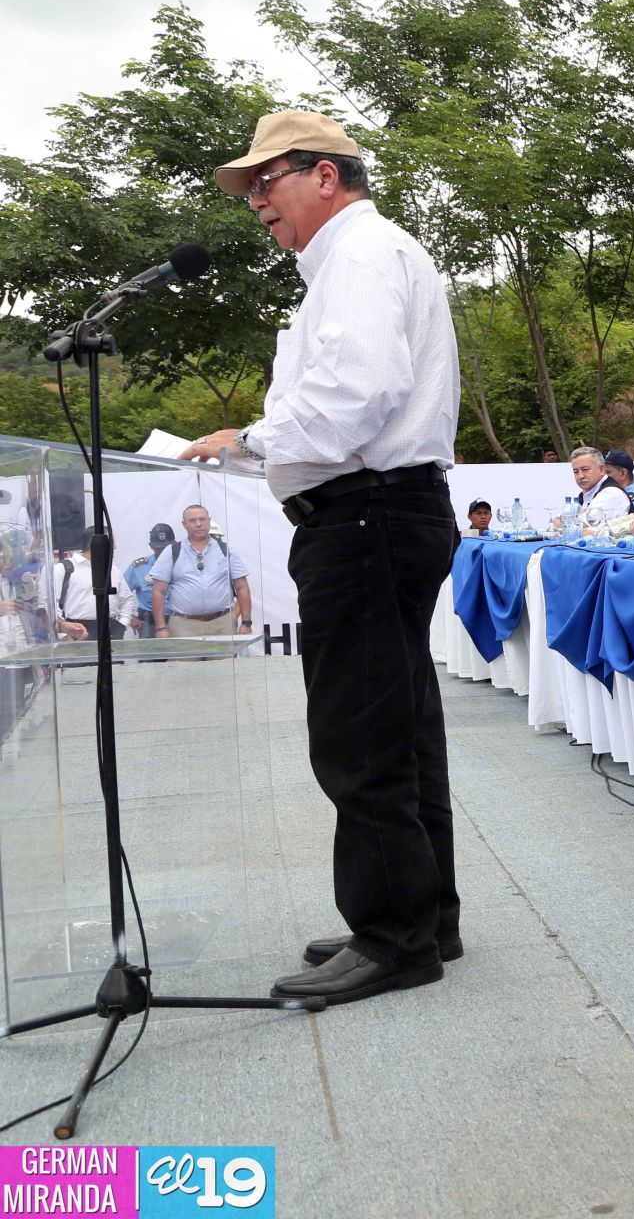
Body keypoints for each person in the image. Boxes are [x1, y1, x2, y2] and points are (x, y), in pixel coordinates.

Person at [184, 109, 461, 1007]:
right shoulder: (359, 258)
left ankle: (393, 938)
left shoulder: (359, 256)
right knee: (402, 725)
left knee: (361, 731)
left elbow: (358, 391)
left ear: (327, 177)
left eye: (269, 180)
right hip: (382, 512)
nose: (257, 200)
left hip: (366, 514)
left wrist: (251, 435)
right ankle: (422, 918)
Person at [147, 505, 252, 639]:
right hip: (183, 625)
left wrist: (246, 622)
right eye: (192, 520)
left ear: (209, 521)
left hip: (222, 624)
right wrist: (161, 627)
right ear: (184, 524)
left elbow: (242, 587)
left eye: (202, 519)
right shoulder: (172, 551)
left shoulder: (227, 550)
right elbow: (158, 591)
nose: (198, 524)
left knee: (224, 661)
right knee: (184, 661)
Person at [55, 540, 139, 640]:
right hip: (77, 630)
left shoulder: (113, 570)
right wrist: (64, 634)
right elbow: (49, 605)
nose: (115, 547)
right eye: (111, 542)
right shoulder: (63, 569)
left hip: (111, 630)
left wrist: (122, 624)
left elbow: (127, 600)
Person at [123, 523, 175, 639]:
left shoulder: (183, 564)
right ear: (151, 546)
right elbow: (121, 594)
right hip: (149, 621)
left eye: (166, 547)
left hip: (178, 619)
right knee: (149, 656)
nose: (162, 551)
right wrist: (130, 617)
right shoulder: (139, 567)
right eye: (158, 548)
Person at [568, 446, 632, 523]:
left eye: (585, 469)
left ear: (601, 469)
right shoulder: (584, 494)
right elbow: (558, 520)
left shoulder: (611, 493)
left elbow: (583, 524)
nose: (580, 476)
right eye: (576, 471)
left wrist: (566, 521)